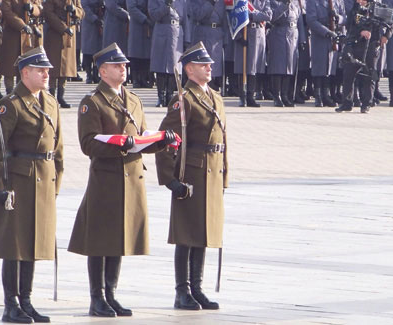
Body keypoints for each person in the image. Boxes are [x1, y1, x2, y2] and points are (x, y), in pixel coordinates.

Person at [68, 43, 173, 318]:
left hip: (131, 178)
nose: (123, 69)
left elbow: (140, 139)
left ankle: (111, 294)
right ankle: (96, 297)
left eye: (124, 65)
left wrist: (160, 142)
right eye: (117, 66)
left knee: (119, 239)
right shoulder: (93, 103)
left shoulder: (135, 101)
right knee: (101, 239)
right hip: (107, 179)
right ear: (103, 71)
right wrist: (119, 144)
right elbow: (88, 144)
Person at [0, 46, 63, 324]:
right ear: (25, 73)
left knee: (34, 243)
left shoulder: (50, 102)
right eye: (41, 70)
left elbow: (58, 148)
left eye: (48, 70)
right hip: (19, 181)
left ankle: (26, 300)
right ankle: (11, 304)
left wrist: (56, 183)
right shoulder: (12, 104)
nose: (46, 74)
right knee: (14, 246)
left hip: (43, 181)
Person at [154, 42, 227, 311]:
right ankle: (182, 290)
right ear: (189, 69)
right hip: (192, 172)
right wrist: (169, 179)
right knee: (187, 233)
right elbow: (166, 140)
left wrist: (224, 176)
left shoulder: (215, 97)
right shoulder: (183, 100)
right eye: (203, 64)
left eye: (209, 63)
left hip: (213, 171)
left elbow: (223, 140)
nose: (210, 67)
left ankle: (197, 288)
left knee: (204, 232)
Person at [336, 0, 393, 113]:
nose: (359, 1)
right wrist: (360, 32)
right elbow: (350, 25)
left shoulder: (378, 8)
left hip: (371, 47)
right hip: (355, 45)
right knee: (348, 73)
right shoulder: (355, 8)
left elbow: (391, 24)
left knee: (369, 75)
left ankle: (366, 103)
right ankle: (347, 103)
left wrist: (386, 36)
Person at [44, 0, 84, 108]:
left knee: (65, 68)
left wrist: (74, 10)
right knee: (53, 67)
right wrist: (63, 27)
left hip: (69, 36)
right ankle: (51, 95)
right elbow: (48, 13)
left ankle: (61, 96)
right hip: (55, 34)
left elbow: (81, 12)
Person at [0, 0, 44, 94]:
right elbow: (6, 11)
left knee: (26, 69)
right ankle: (10, 93)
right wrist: (22, 25)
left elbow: (39, 8)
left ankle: (22, 93)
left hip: (29, 36)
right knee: (9, 70)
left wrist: (32, 8)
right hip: (12, 35)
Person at [306, 0, 346, 107]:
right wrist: (327, 32)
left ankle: (326, 94)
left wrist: (338, 18)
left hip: (334, 36)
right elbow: (311, 20)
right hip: (320, 37)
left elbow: (344, 17)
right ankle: (318, 95)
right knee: (319, 67)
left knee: (330, 68)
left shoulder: (338, 1)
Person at [233, 0, 272, 107]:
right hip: (243, 34)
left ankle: (250, 96)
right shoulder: (240, 1)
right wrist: (238, 37)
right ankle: (242, 96)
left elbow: (268, 15)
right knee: (243, 67)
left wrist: (250, 15)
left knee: (254, 68)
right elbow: (232, 17)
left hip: (258, 34)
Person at [268, 0, 301, 107]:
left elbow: (299, 21)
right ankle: (277, 96)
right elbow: (272, 17)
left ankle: (285, 95)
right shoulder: (273, 2)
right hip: (279, 34)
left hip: (292, 34)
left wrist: (302, 40)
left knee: (289, 66)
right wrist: (284, 4)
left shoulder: (295, 2)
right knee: (278, 67)